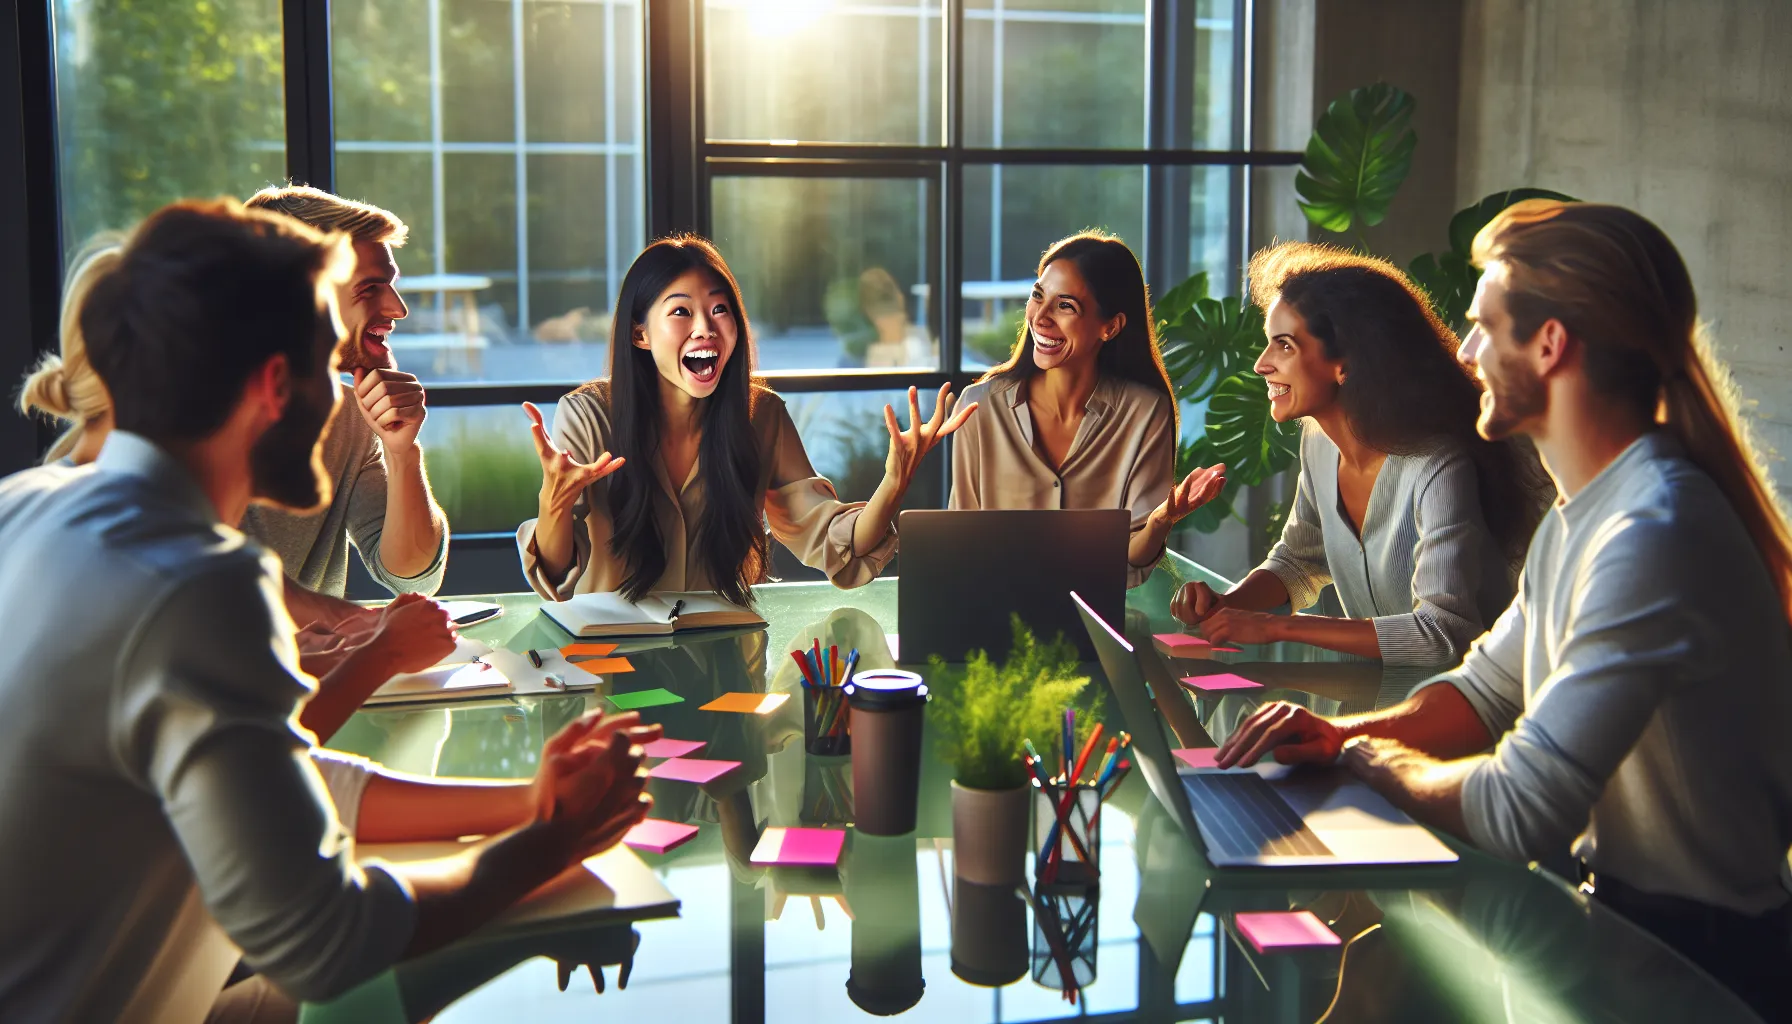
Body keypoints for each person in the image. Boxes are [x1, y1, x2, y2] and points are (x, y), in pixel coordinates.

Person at [0, 198, 660, 1022]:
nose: (342, 398)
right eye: (324, 367)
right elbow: (327, 942)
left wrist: (532, 799)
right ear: (276, 386)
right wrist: (554, 842)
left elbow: (288, 773)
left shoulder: (24, 503)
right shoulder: (203, 586)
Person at [1212, 200, 1792, 1018]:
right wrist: (1340, 734)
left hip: (1701, 972)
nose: (1466, 352)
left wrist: (1371, 763)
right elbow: (1481, 691)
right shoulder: (1582, 517)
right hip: (1616, 934)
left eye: (1484, 327)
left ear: (1550, 346)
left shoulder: (1653, 532)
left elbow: (1518, 809)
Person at [518, 235, 974, 603]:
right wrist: (552, 505)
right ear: (640, 333)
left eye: (720, 310)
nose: (705, 328)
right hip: (613, 664)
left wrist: (893, 483)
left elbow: (829, 537)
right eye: (680, 312)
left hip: (723, 657)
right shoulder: (588, 416)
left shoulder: (762, 416)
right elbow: (557, 575)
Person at [1171, 242, 1546, 663]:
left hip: (1465, 711)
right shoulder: (1318, 443)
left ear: (1345, 362)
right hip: (1375, 694)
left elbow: (1444, 633)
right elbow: (1299, 561)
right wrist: (1227, 605)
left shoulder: (1438, 465)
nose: (1262, 364)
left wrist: (1276, 627)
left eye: (1285, 345)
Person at [948, 231, 1224, 588]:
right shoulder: (978, 407)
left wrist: (1163, 519)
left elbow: (1132, 563)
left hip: (1098, 626)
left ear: (1110, 327)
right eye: (1038, 296)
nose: (1041, 318)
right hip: (989, 617)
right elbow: (957, 545)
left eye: (1066, 306)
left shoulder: (1144, 413)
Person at [239, 184, 449, 619]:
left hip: (317, 678)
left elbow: (412, 576)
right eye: (370, 288)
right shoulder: (185, 415)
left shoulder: (352, 416)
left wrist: (401, 452)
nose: (397, 308)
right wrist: (355, 629)